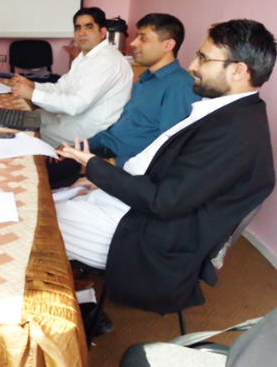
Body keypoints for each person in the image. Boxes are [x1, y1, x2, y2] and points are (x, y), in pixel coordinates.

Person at [57, 19, 276, 313]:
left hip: (155, 242)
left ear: (238, 71)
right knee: (52, 202)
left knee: (40, 222)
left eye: (203, 58)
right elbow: (167, 175)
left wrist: (95, 166)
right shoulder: (227, 113)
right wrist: (104, 179)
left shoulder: (234, 135)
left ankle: (59, 311)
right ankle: (72, 293)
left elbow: (164, 201)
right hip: (148, 212)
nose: (192, 66)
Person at [47, 13, 200, 188]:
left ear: (168, 45)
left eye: (143, 38)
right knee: (36, 164)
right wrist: (79, 147)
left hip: (121, 166)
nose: (134, 43)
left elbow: (167, 149)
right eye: (136, 37)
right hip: (103, 153)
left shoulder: (179, 86)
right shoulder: (145, 81)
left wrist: (109, 166)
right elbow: (118, 130)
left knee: (39, 182)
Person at [11, 7, 133, 147]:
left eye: (89, 27)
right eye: (77, 28)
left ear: (102, 32)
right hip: (72, 118)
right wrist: (33, 85)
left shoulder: (107, 62)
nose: (82, 33)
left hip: (90, 130)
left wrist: (33, 94)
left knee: (24, 134)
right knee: (23, 117)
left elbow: (76, 105)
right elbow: (62, 87)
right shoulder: (84, 56)